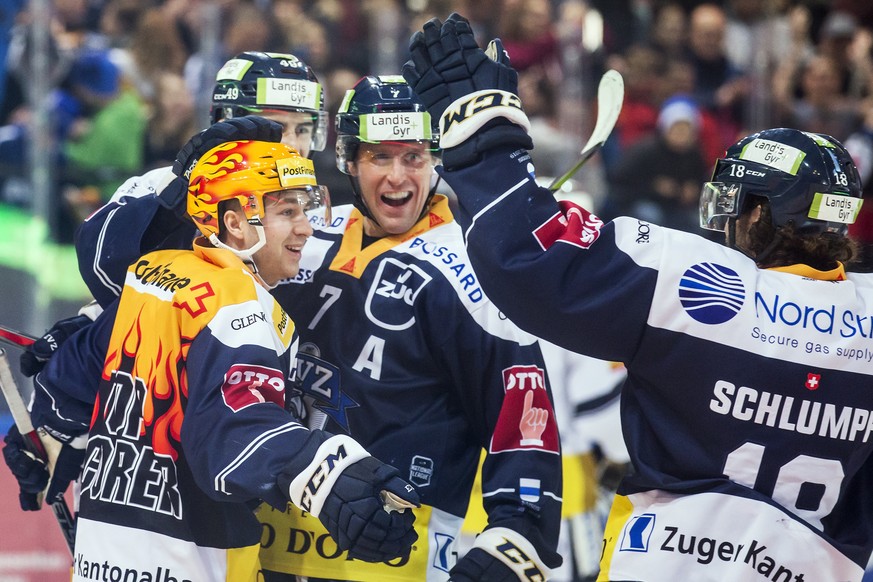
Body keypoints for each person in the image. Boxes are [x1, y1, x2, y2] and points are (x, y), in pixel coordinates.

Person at [23, 75, 564, 581]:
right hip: (268, 542)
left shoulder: (472, 272)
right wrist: (84, 351)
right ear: (347, 158)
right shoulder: (297, 237)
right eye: (380, 156)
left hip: (393, 551)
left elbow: (523, 411)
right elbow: (172, 313)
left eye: (414, 157)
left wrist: (519, 536)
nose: (398, 175)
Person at [403, 12, 873, 581]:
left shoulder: (700, 283)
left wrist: (483, 139)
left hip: (668, 564)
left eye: (736, 204)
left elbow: (527, 261)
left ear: (758, 213)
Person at [5, 140, 419, 580]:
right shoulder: (239, 303)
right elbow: (232, 436)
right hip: (188, 564)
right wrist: (330, 475)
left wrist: (49, 434)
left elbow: (77, 368)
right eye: (287, 212)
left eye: (303, 209)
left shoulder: (154, 272)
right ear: (235, 222)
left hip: (101, 561)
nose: (305, 228)